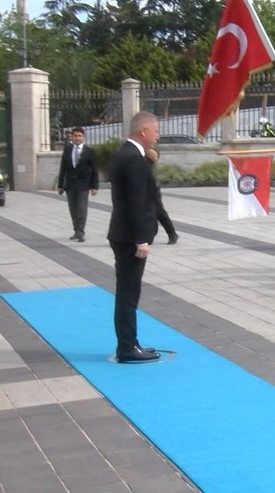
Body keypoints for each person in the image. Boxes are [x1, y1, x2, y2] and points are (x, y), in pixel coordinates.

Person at [108, 111, 161, 364]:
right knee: (129, 293)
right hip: (130, 236)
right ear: (143, 132)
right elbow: (137, 202)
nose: (157, 136)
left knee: (127, 292)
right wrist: (142, 239)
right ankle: (127, 347)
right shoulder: (133, 159)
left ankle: (130, 341)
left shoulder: (125, 154)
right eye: (155, 131)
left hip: (121, 233)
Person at [57, 127, 99, 242]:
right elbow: (63, 168)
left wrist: (94, 186)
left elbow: (94, 170)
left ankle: (81, 232)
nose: (77, 138)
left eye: (79, 136)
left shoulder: (89, 152)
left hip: (83, 185)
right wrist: (60, 185)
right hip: (70, 184)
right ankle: (76, 230)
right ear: (72, 137)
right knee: (73, 209)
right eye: (75, 136)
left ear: (83, 137)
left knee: (81, 208)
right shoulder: (67, 150)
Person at [145, 148, 179, 245]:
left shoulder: (149, 145)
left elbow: (155, 156)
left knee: (159, 210)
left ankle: (172, 233)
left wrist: (144, 150)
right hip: (140, 184)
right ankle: (150, 234)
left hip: (152, 186)